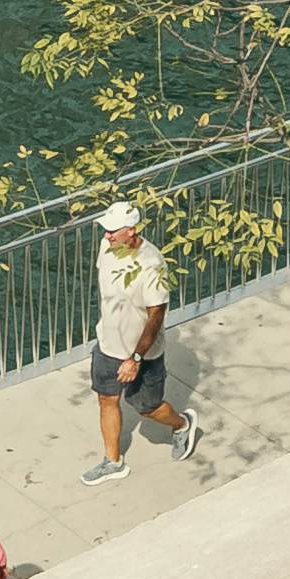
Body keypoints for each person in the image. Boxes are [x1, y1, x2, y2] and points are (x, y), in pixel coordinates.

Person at [85, 201, 186, 480]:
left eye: (113, 230)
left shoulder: (151, 264)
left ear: (131, 230)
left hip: (142, 354)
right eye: (106, 230)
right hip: (108, 343)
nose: (107, 235)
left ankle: (181, 424)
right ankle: (112, 461)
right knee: (106, 398)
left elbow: (156, 316)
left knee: (147, 408)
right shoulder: (107, 246)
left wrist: (135, 359)